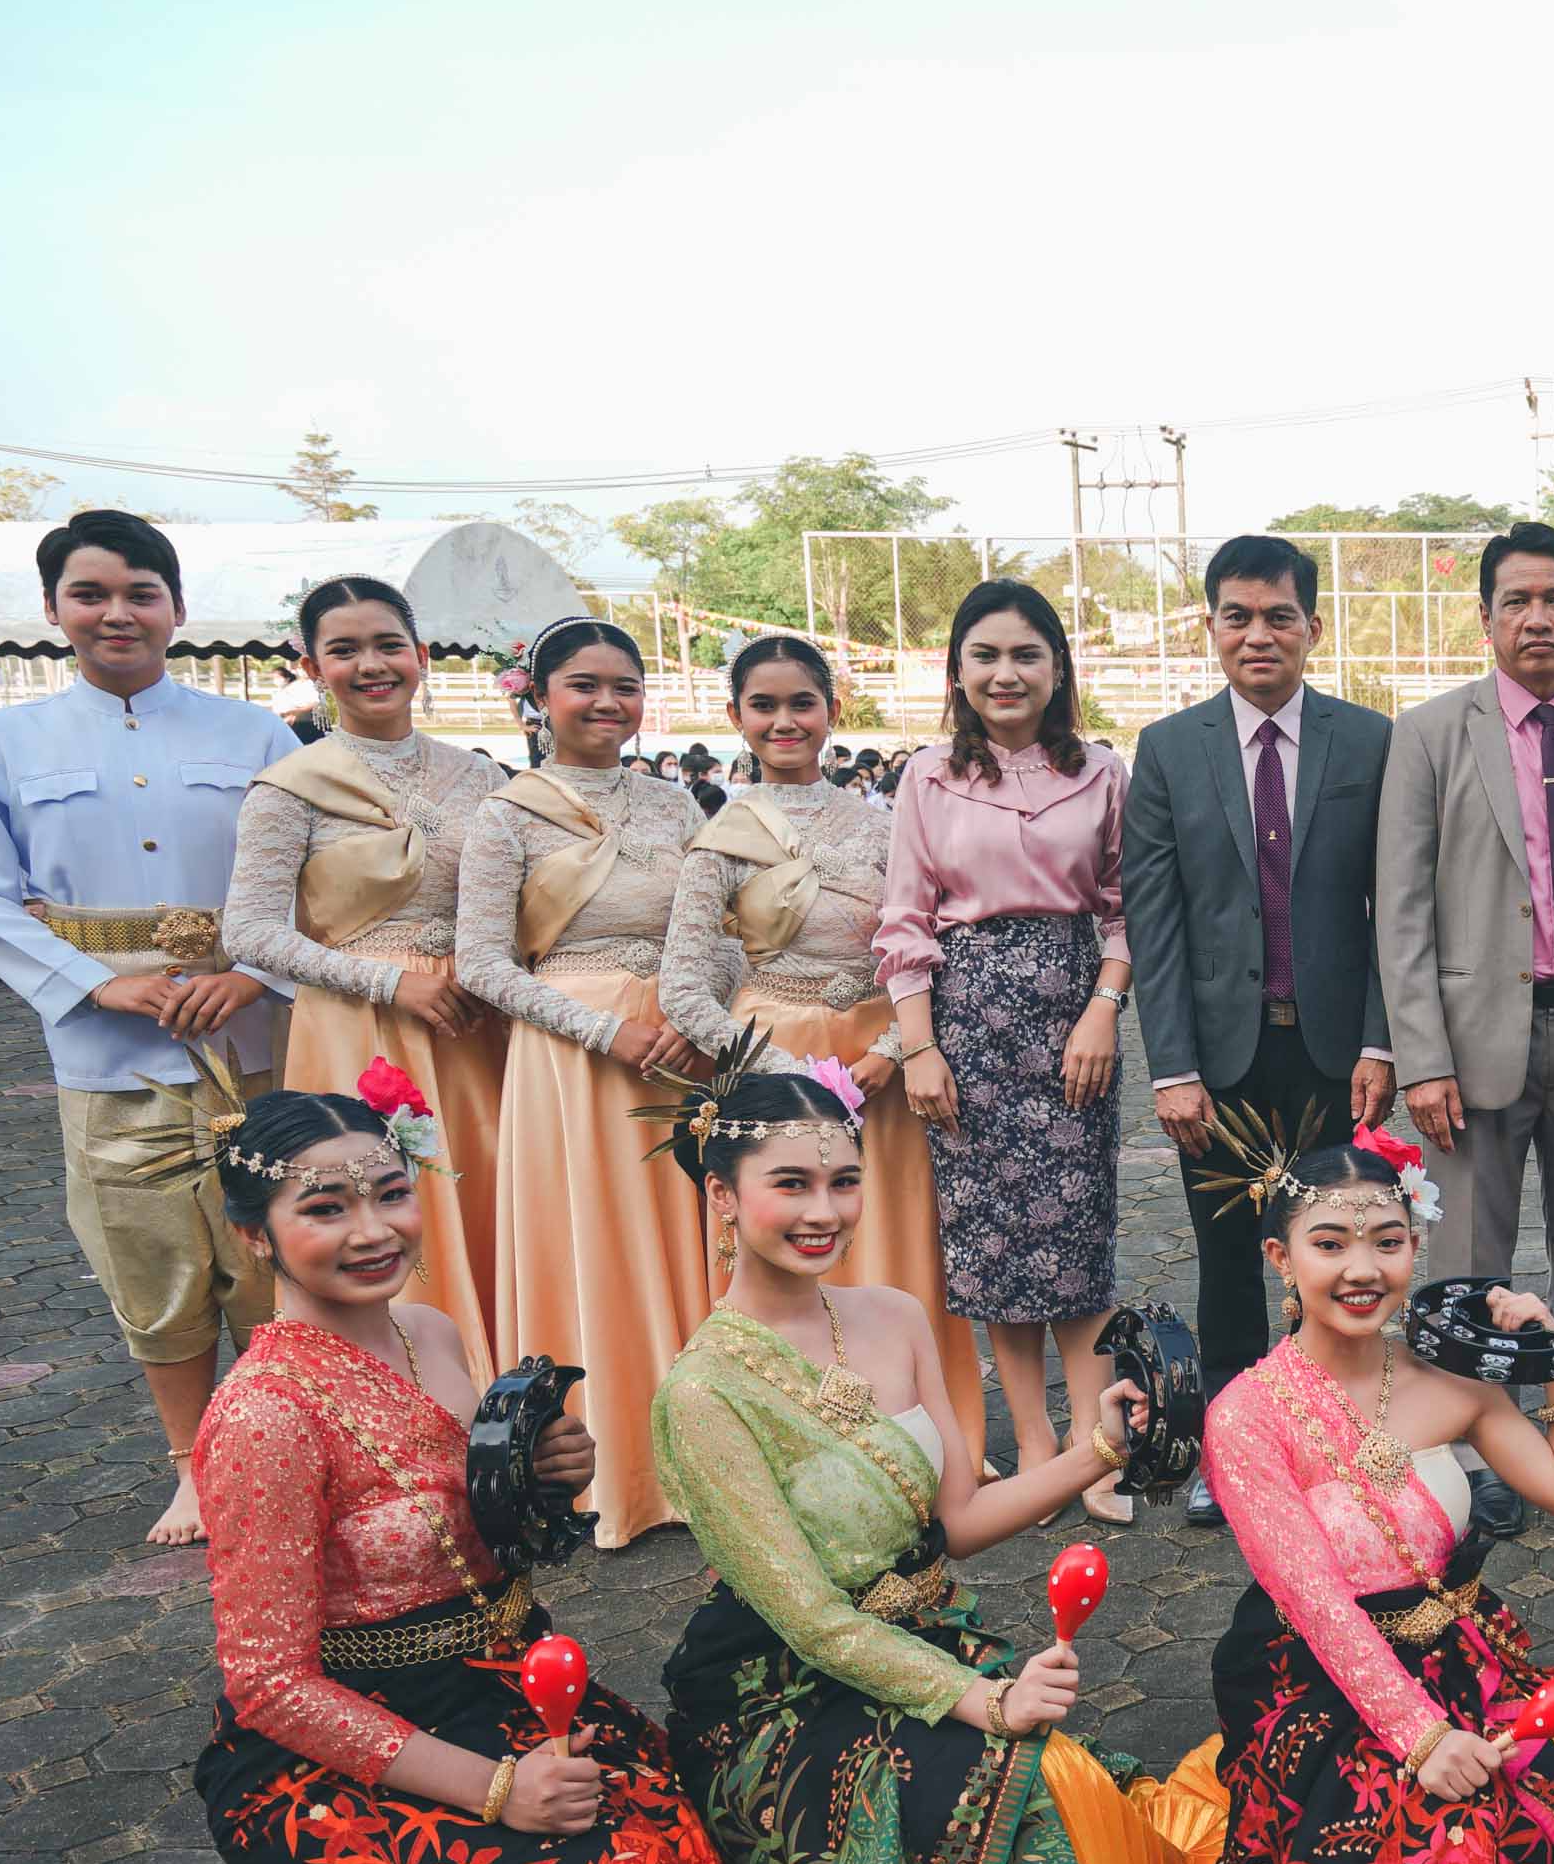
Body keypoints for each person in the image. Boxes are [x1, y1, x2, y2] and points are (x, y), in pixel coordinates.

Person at [83, 1088, 757, 1864]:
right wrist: (497, 1792)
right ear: (252, 1234)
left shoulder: (431, 1333)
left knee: (680, 1842)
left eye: (389, 1193)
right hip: (339, 1749)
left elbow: (472, 1540)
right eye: (325, 1207)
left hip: (493, 1681)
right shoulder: (264, 1415)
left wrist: (547, 1476)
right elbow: (268, 1683)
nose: (371, 1229)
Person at [652, 1062, 1213, 1864]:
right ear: (720, 1194)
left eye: (844, 1181)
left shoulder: (895, 1314)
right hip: (785, 1694)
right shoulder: (702, 1393)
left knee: (1089, 1799)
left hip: (921, 1637)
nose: (824, 1211)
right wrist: (986, 1701)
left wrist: (1099, 1448)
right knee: (1037, 1800)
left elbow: (957, 1520)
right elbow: (814, 1623)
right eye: (790, 1184)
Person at [1164, 1126, 1554, 1864]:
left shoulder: (1452, 1382)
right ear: (1281, 1257)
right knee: (1448, 1846)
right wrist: (1423, 1739)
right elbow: (1315, 1602)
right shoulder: (1248, 1415)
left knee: (1543, 1812)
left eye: (1387, 1241)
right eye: (1330, 1243)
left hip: (1457, 1648)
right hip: (1316, 1675)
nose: (1362, 1269)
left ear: (1416, 1246)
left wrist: (1552, 1361)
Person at [0, 511, 302, 1546]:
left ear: (177, 607)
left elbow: (316, 871)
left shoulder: (256, 737)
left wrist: (253, 972)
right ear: (53, 609)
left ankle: (292, 1450)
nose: (116, 613)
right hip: (107, 1054)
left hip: (252, 1039)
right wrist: (92, 983)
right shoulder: (1, 742)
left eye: (141, 592)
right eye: (89, 594)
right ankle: (193, 1468)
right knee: (150, 1262)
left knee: (274, 1257)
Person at [1371, 520, 1554, 1533]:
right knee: (1464, 1253)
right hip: (1471, 1039)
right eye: (1517, 601)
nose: (1538, 617)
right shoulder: (1429, 733)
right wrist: (1422, 1058)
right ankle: (1470, 1444)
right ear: (1487, 617)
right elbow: (1400, 906)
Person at [660, 632, 987, 1475]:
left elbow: (935, 944)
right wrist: (798, 1079)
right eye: (763, 706)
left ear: (832, 710)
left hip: (884, 1062)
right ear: (734, 716)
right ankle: (796, 1451)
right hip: (772, 1060)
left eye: (801, 703)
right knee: (787, 1242)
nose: (784, 721)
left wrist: (891, 1051)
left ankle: (926, 1443)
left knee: (893, 1236)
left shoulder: (887, 825)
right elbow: (684, 992)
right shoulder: (719, 840)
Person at [1124, 535, 1398, 1527]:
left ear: (1312, 627)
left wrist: (1380, 1042)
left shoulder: (1369, 741)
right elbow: (1154, 918)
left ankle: (1342, 1441)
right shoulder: (1169, 747)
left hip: (1334, 1054)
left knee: (1342, 1252)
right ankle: (1231, 1453)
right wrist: (1172, 1067)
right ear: (1211, 627)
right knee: (1230, 1259)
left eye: (1279, 615)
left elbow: (1393, 907)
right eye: (1236, 616)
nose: (1258, 634)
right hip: (1219, 1060)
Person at [452, 615, 712, 1544]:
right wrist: (606, 1031)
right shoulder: (506, 814)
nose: (608, 703)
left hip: (677, 1050)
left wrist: (693, 1013)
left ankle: (709, 1455)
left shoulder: (679, 807)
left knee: (690, 1243)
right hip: (570, 1065)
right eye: (584, 685)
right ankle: (616, 1469)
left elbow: (723, 927)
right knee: (594, 1243)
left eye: (625, 686)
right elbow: (482, 964)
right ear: (539, 696)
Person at [877, 580, 1135, 1509]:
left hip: (1074, 1023)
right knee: (994, 1248)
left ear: (1058, 668)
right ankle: (1033, 1445)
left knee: (1078, 1239)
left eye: (1026, 654)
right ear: (956, 671)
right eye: (984, 655)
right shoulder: (926, 775)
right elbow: (905, 920)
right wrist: (919, 1047)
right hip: (968, 1025)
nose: (1005, 673)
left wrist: (1104, 1009)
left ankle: (1097, 1446)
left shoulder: (1102, 772)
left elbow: (1125, 909)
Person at [224, 577, 512, 1370]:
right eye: (344, 650)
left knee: (486, 1206)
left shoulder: (483, 779)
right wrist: (391, 983)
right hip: (359, 1029)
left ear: (422, 655)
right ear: (312, 667)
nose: (371, 665)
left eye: (388, 645)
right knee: (374, 1207)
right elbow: (249, 930)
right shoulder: (290, 787)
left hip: (475, 1026)